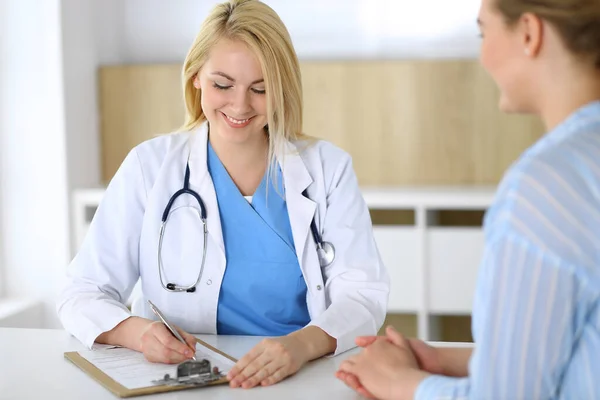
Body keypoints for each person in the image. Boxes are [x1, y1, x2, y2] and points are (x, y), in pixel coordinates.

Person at [57, 0, 389, 389]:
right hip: (185, 380)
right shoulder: (150, 167)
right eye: (223, 84)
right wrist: (137, 333)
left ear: (281, 89)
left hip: (299, 377)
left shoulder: (327, 169)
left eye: (260, 89)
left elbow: (363, 295)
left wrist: (299, 346)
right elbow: (81, 291)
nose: (240, 105)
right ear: (196, 76)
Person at [336, 0, 600, 398]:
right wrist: (452, 363)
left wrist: (400, 383)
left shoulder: (545, 188)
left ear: (529, 33)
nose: (482, 54)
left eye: (483, 32)